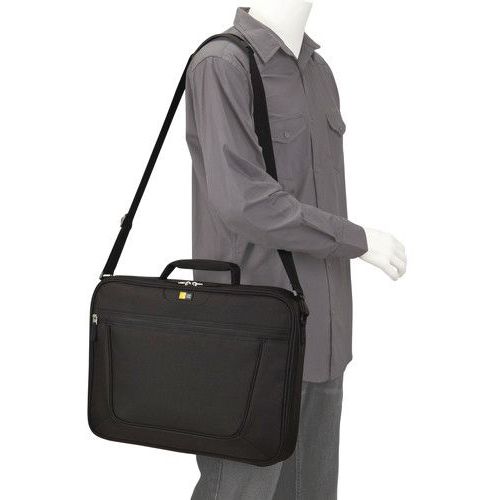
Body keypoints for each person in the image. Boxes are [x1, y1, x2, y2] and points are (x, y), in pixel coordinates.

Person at [187, 3, 407, 498]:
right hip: (253, 342)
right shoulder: (221, 64)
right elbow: (244, 201)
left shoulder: (319, 71)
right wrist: (357, 240)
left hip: (324, 336)